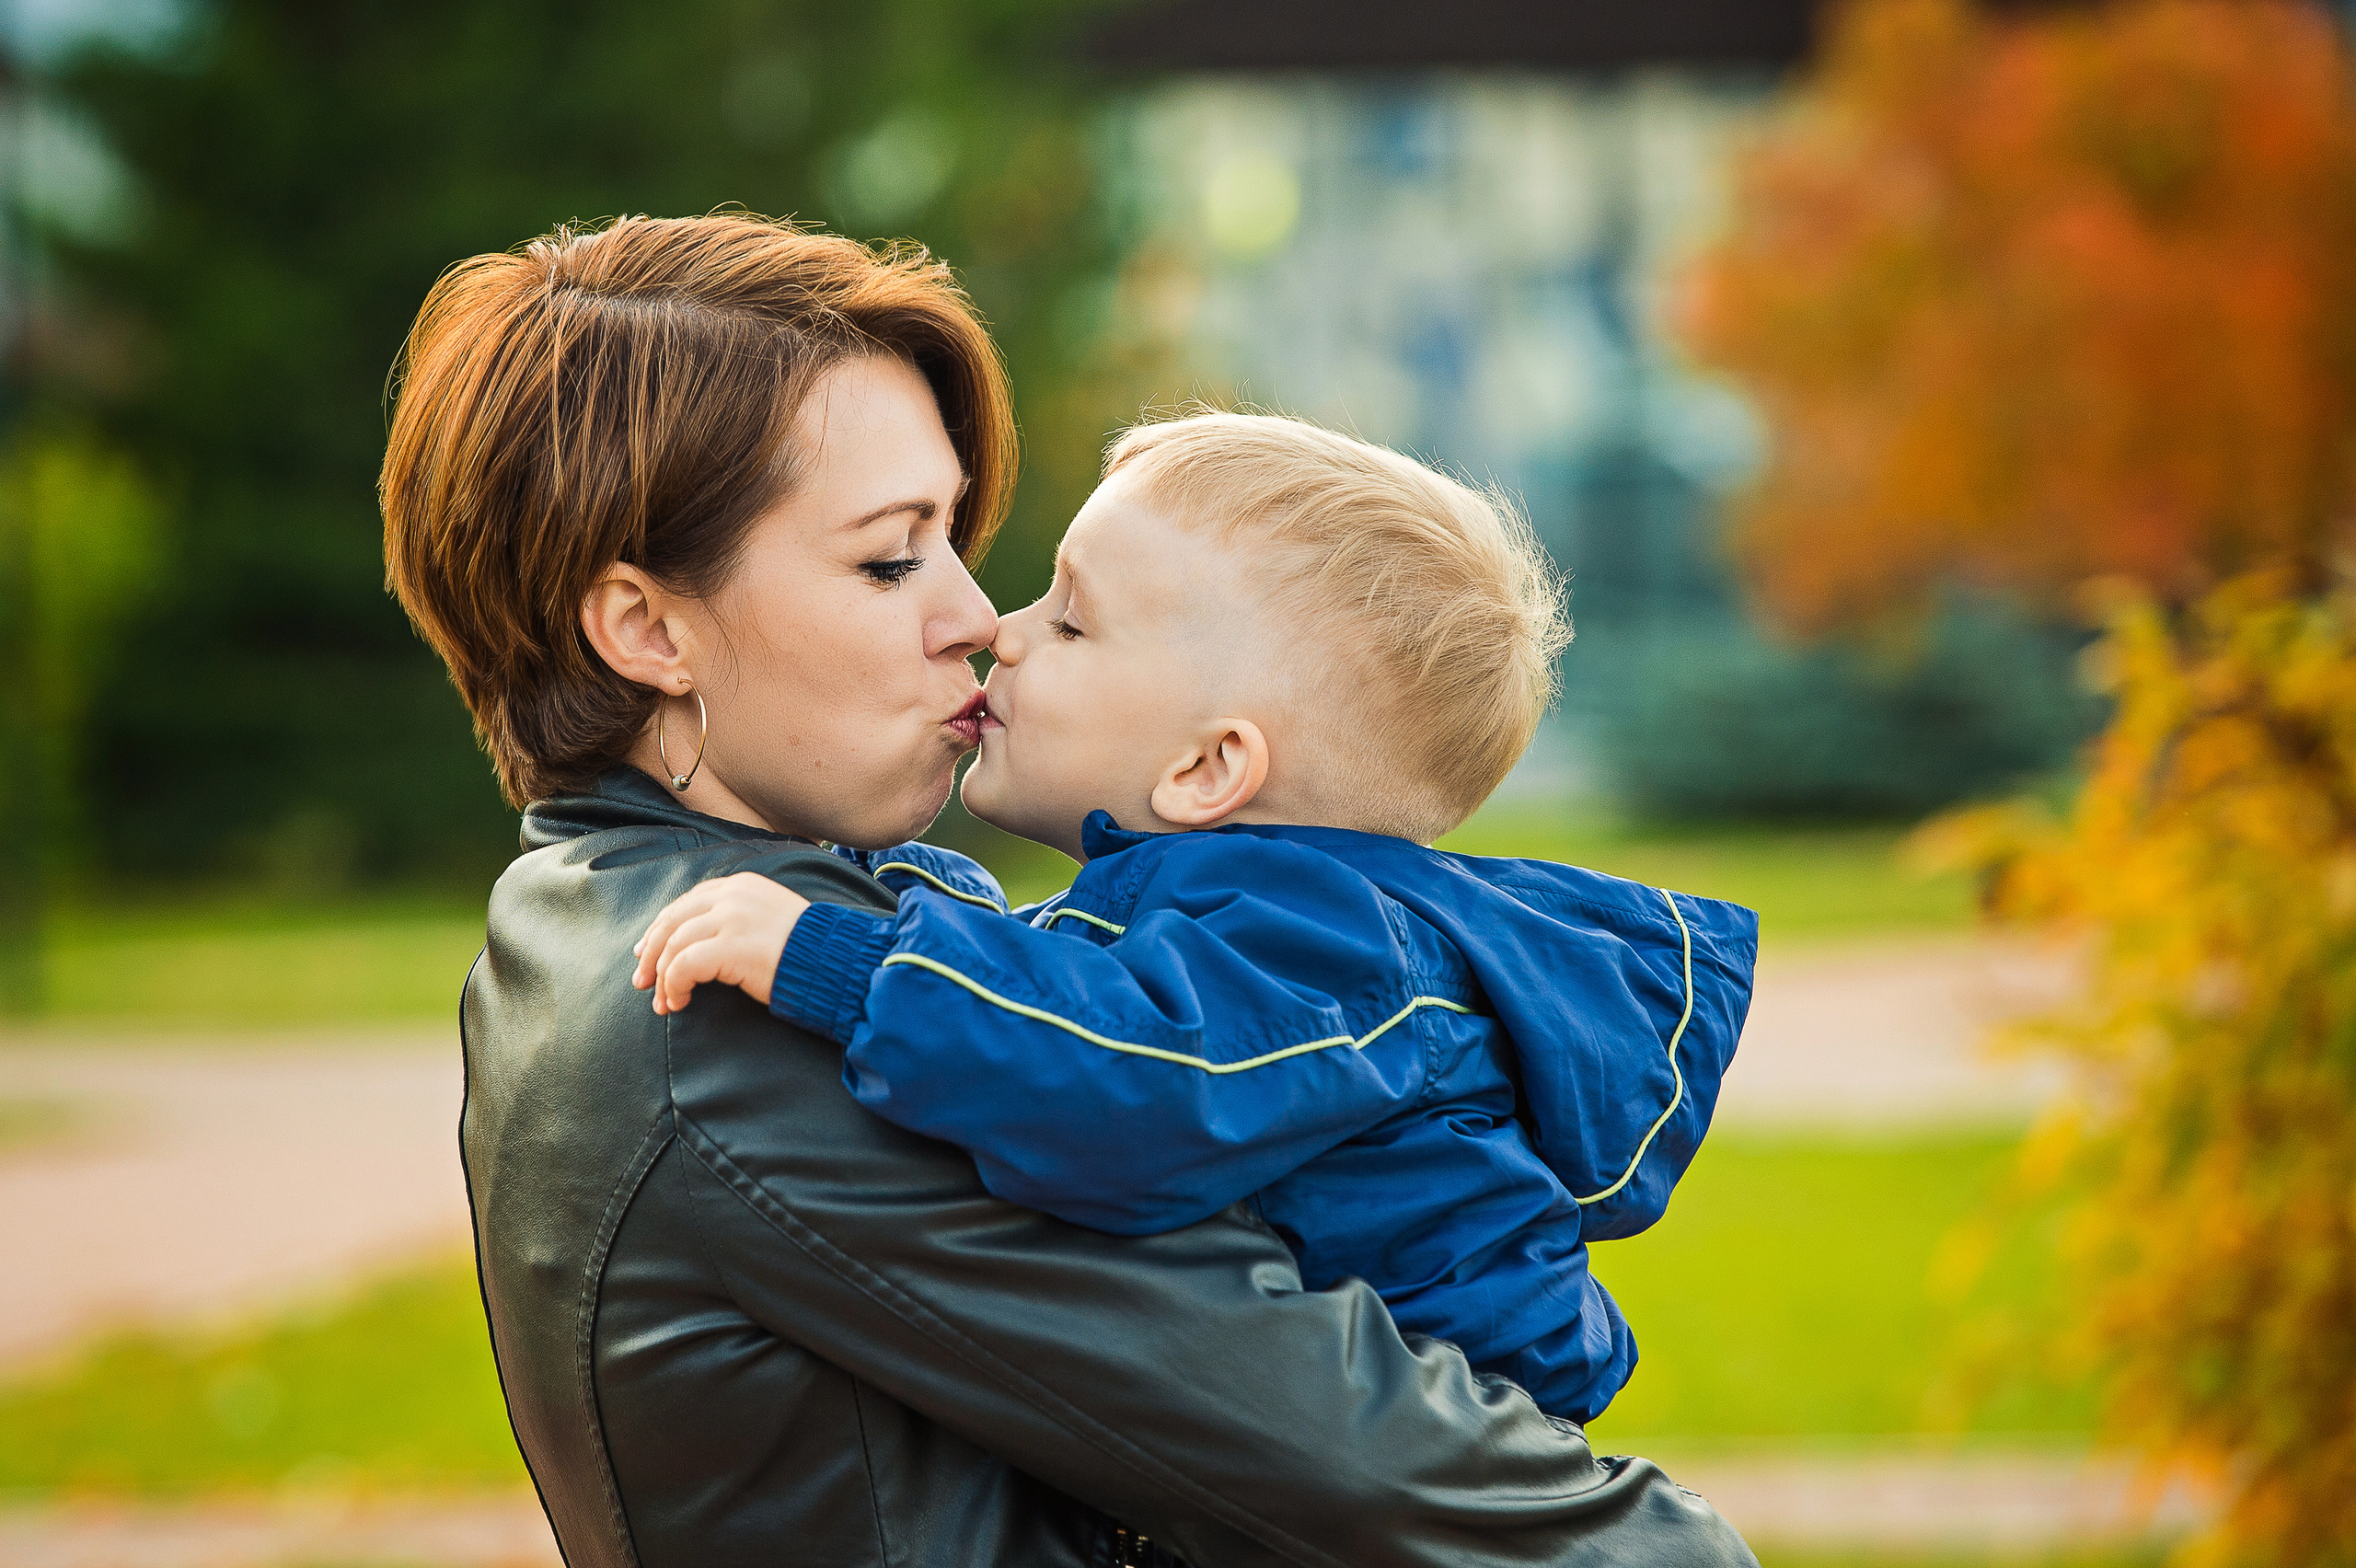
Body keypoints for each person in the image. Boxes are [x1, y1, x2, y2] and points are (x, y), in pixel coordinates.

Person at [381, 211, 1757, 1567]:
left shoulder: (638, 919)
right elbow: (1336, 1443)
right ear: (645, 629)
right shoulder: (737, 1012)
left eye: (956, 541)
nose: (978, 618)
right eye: (887, 557)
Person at [633, 410, 1759, 1428]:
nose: (1001, 628)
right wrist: (928, 901)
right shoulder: (1261, 918)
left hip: (1418, 1489)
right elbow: (1081, 982)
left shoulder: (1318, 945)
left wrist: (836, 959)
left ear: (1209, 766)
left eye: (1071, 624)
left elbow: (1130, 1087)